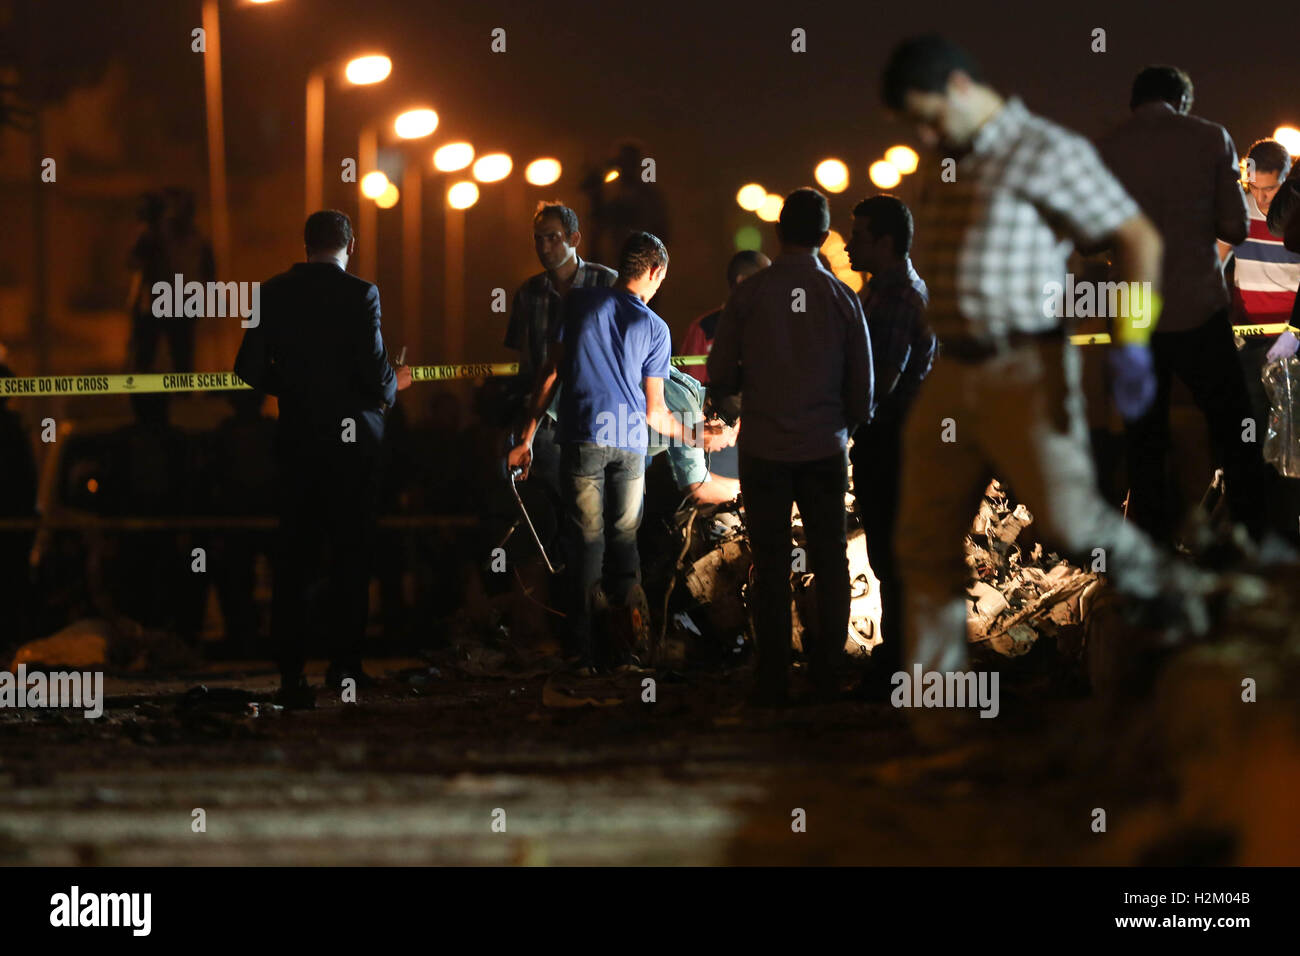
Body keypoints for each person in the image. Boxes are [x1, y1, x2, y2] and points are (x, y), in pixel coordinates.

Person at [879, 35, 1206, 691]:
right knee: (921, 546)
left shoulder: (1047, 151)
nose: (923, 131)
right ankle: (941, 727)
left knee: (1072, 524)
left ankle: (1194, 608)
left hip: (1021, 369)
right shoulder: (951, 157)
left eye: (928, 114)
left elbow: (1133, 235)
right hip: (952, 371)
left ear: (961, 89)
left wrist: (1134, 343)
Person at [509, 232, 723, 671]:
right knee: (624, 544)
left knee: (585, 545)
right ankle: (627, 651)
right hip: (628, 447)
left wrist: (526, 436)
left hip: (582, 438)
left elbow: (551, 374)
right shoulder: (656, 329)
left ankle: (581, 652)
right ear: (654, 271)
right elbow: (657, 414)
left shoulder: (581, 303)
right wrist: (701, 438)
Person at [235, 210, 411, 708]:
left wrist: (295, 389)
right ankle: (345, 668)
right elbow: (378, 378)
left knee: (294, 560)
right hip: (352, 448)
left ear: (305, 242)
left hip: (296, 443)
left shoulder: (269, 292)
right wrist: (396, 383)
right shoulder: (361, 294)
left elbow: (246, 366)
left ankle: (292, 675)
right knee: (349, 557)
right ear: (350, 243)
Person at [708, 188, 874, 706]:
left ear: (778, 233)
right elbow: (863, 392)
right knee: (829, 561)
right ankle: (827, 669)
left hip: (764, 451)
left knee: (772, 562)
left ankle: (773, 672)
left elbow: (719, 374)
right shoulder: (843, 299)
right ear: (825, 235)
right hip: (824, 451)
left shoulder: (750, 295)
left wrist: (751, 410)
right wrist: (836, 426)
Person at [1099, 66, 1269, 542]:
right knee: (1236, 428)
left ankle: (1151, 558)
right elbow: (1235, 228)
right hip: (1199, 305)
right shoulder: (1211, 138)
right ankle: (1250, 542)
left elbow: (1089, 237)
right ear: (1182, 101)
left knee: (1145, 439)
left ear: (1135, 101)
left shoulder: (1106, 147)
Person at [844, 194, 933, 689]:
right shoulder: (881, 290)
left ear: (885, 241)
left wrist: (841, 422)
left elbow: (880, 383)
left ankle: (903, 662)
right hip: (890, 442)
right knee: (889, 554)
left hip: (896, 443)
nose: (851, 245)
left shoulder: (899, 297)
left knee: (895, 555)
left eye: (859, 236)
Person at [503, 202, 617, 499]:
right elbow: (526, 363)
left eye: (552, 237)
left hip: (599, 418)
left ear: (574, 239)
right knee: (558, 507)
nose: (544, 246)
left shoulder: (606, 282)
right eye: (538, 238)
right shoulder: (528, 293)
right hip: (545, 422)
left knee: (599, 513)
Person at [127, 188, 213, 373]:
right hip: (160, 303)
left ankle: (180, 394)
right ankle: (146, 395)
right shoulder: (157, 238)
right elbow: (135, 262)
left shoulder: (197, 240)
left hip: (182, 304)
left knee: (182, 356)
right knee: (148, 356)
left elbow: (208, 272)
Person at [678, 250, 771, 383]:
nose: (773, 285)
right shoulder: (705, 329)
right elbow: (689, 393)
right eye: (766, 278)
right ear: (742, 281)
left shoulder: (773, 326)